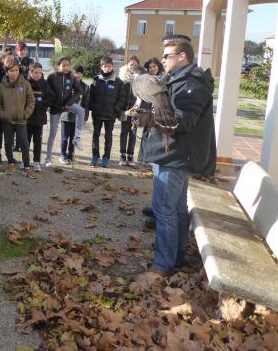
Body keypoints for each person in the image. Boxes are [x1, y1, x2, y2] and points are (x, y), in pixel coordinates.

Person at [142, 39, 216, 276]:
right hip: (171, 153)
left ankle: (163, 265)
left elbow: (183, 122)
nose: (162, 60)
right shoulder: (178, 79)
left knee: (164, 210)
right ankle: (175, 256)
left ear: (182, 56)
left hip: (175, 156)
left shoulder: (191, 84)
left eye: (167, 56)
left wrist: (152, 120)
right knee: (177, 209)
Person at [0, 60, 36, 178]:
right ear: (7, 72)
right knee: (8, 143)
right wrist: (2, 114)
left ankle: (27, 166)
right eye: (11, 71)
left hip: (21, 120)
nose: (14, 73)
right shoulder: (2, 86)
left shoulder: (25, 84)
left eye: (16, 70)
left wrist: (25, 114)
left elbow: (31, 101)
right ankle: (10, 162)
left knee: (24, 143)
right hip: (7, 120)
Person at [89, 56, 125, 168]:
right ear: (101, 67)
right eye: (104, 66)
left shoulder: (119, 82)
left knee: (108, 137)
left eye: (108, 66)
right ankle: (95, 156)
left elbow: (122, 98)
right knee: (96, 135)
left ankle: (106, 158)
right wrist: (93, 107)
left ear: (112, 67)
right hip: (97, 114)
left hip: (111, 115)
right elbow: (90, 96)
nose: (106, 68)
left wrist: (116, 109)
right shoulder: (95, 80)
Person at [44, 56, 74, 166]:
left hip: (67, 107)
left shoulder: (71, 76)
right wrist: (54, 105)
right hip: (55, 108)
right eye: (63, 65)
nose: (66, 67)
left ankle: (70, 154)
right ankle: (48, 158)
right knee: (53, 133)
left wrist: (70, 103)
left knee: (71, 131)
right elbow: (48, 92)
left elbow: (78, 91)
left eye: (68, 65)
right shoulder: (52, 77)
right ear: (58, 66)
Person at [60, 65, 90, 164]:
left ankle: (71, 154)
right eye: (76, 73)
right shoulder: (68, 83)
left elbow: (86, 103)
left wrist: (85, 117)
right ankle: (63, 155)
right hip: (66, 116)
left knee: (74, 138)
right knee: (65, 137)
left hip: (77, 118)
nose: (78, 75)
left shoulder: (85, 87)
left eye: (80, 73)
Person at [26, 62, 53, 172]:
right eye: (35, 73)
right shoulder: (26, 83)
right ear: (30, 72)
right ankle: (25, 161)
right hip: (27, 118)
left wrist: (43, 104)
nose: (38, 75)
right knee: (25, 141)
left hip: (39, 118)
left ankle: (36, 162)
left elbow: (51, 97)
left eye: (40, 73)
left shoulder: (45, 84)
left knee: (37, 141)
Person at [118, 56, 144, 166]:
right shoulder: (122, 76)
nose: (133, 66)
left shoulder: (141, 77)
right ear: (127, 65)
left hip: (136, 110)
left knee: (133, 132)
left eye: (135, 64)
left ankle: (130, 155)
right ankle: (122, 155)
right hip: (125, 109)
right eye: (131, 64)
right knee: (124, 132)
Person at [0, 50, 16, 163]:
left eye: (12, 60)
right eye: (8, 60)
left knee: (10, 131)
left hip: (10, 106)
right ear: (3, 60)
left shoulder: (15, 71)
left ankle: (9, 154)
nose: (10, 62)